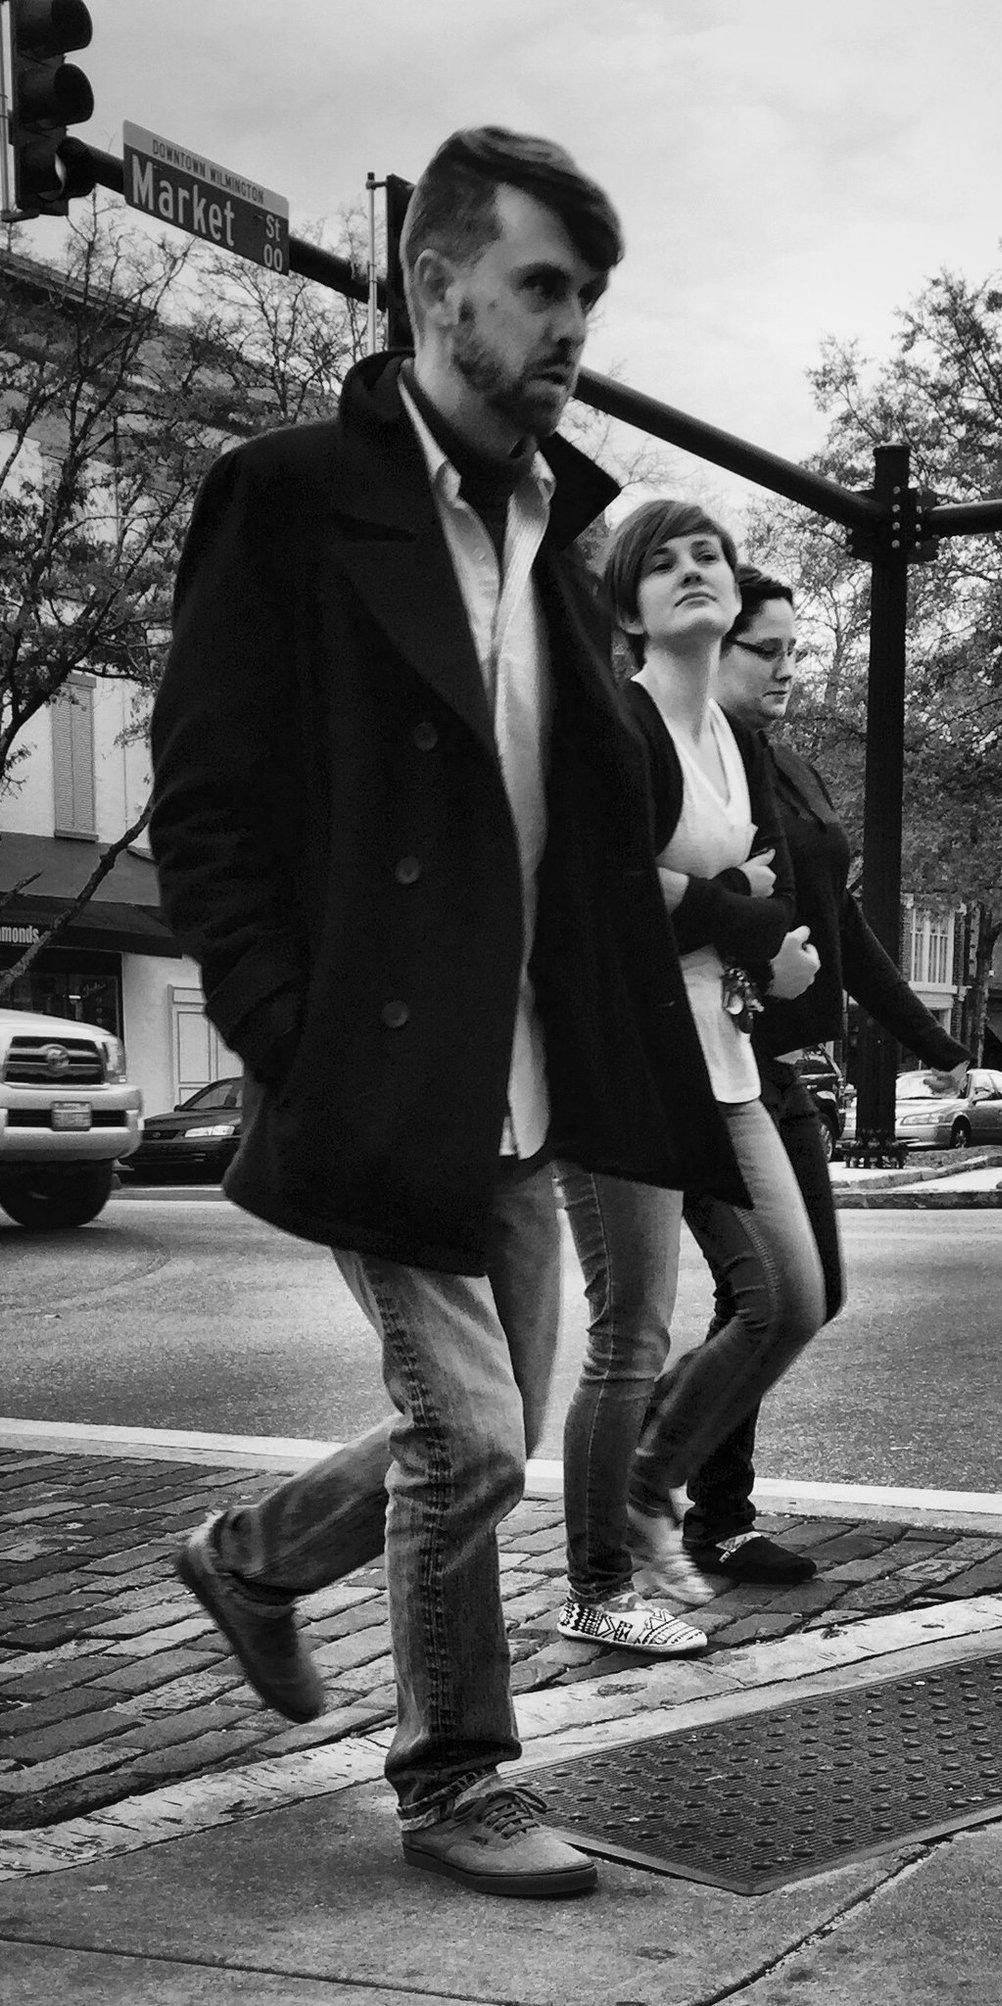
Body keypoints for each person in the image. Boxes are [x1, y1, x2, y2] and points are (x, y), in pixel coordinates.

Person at [149, 128, 747, 1904]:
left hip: (531, 1076)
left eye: (591, 296)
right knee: (477, 1438)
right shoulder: (290, 493)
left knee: (479, 1437)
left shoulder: (558, 533)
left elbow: (600, 817)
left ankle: (255, 1562)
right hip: (383, 1068)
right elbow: (211, 802)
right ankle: (457, 1775)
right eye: (544, 286)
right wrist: (287, 1029)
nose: (572, 326)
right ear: (434, 283)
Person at [658, 565, 972, 1586]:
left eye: (799, 650)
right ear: (714, 647)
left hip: (780, 1063)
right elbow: (652, 895)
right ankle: (673, 1487)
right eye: (769, 650)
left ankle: (690, 1491)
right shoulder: (689, 762)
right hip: (700, 1055)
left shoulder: (788, 767)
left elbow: (844, 928)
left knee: (807, 1292)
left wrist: (932, 1041)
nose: (789, 667)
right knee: (763, 1296)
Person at [553, 501, 827, 1658]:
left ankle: (650, 1480)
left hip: (721, 1061)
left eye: (706, 555)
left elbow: (712, 893)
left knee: (792, 1295)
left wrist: (750, 928)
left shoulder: (727, 736)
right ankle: (597, 1582)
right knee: (631, 1332)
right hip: (624, 1069)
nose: (691, 573)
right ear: (628, 608)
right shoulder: (622, 725)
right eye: (658, 565)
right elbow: (604, 895)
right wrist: (751, 914)